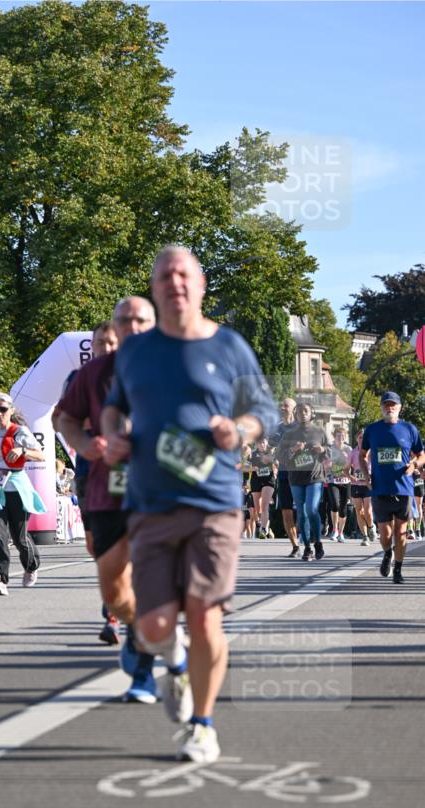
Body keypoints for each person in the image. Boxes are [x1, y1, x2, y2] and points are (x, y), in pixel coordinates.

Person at [101, 246, 277, 760]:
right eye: (164, 276)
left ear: (200, 285)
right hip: (150, 501)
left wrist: (238, 429)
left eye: (184, 275)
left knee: (204, 617)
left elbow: (261, 408)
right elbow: (114, 410)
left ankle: (202, 723)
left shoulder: (230, 346)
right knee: (154, 625)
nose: (174, 283)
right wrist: (114, 436)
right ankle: (174, 662)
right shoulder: (135, 351)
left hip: (213, 502)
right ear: (155, 288)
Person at [59, 297, 190, 709]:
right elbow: (64, 418)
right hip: (106, 489)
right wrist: (86, 444)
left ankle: (142, 672)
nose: (131, 327)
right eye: (124, 320)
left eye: (140, 320)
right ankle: (158, 640)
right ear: (114, 327)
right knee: (114, 590)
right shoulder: (92, 374)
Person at [53, 320, 121, 645]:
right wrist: (83, 427)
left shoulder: (132, 376)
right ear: (91, 347)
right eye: (100, 344)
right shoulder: (78, 379)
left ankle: (113, 614)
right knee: (97, 545)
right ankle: (116, 597)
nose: (106, 349)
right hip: (88, 471)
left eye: (112, 343)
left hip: (127, 472)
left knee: (129, 543)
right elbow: (59, 418)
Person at [359, 391, 425, 583]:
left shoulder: (409, 429)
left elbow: (421, 454)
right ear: (381, 407)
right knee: (386, 533)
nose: (390, 408)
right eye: (386, 405)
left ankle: (398, 569)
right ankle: (387, 552)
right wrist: (365, 474)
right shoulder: (373, 429)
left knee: (401, 531)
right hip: (380, 487)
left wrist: (414, 465)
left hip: (404, 488)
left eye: (393, 405)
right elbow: (363, 454)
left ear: (399, 407)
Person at [0, 393, 45, 595]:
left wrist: (22, 451)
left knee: (19, 537)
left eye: (3, 409)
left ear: (11, 410)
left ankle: (31, 565)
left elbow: (40, 454)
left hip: (17, 487)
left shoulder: (20, 432)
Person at [280, 401, 330, 562]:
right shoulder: (288, 434)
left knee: (311, 509)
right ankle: (307, 547)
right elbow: (280, 456)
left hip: (314, 476)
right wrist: (293, 450)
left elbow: (331, 451)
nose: (303, 413)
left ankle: (318, 543)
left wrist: (322, 450)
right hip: (295, 478)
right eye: (300, 411)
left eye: (306, 410)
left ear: (311, 413)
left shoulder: (319, 431)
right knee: (301, 513)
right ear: (295, 414)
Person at [270, 398, 300, 556]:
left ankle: (303, 537)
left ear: (294, 409)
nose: (282, 407)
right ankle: (295, 545)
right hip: (283, 473)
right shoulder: (277, 428)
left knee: (302, 510)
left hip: (299, 473)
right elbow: (271, 445)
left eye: (286, 405)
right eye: (281, 405)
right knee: (286, 510)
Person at [348, 429, 375, 546]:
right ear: (356, 439)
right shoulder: (353, 453)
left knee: (368, 511)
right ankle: (364, 537)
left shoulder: (372, 451)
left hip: (368, 485)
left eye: (364, 438)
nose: (362, 440)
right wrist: (350, 476)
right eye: (360, 438)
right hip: (356, 485)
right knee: (359, 511)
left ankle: (371, 526)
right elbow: (345, 469)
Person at [327, 427, 353, 542]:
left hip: (345, 481)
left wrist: (347, 459)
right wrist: (331, 463)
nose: (340, 438)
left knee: (343, 508)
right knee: (335, 504)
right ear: (334, 437)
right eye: (338, 435)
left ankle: (341, 533)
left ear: (345, 437)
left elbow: (352, 465)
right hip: (332, 480)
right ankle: (334, 529)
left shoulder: (348, 449)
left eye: (342, 436)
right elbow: (326, 465)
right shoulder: (330, 449)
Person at [249, 436, 276, 539]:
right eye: (260, 443)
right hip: (256, 480)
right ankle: (262, 525)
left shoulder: (271, 453)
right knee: (257, 507)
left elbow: (277, 464)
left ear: (266, 443)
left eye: (264, 443)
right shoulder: (252, 454)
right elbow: (244, 468)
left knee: (264, 505)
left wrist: (273, 462)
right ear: (257, 444)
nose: (262, 444)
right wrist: (252, 468)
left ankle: (264, 529)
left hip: (268, 480)